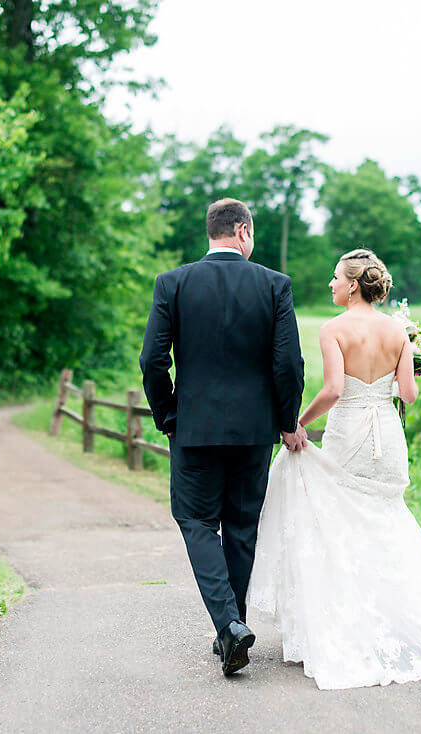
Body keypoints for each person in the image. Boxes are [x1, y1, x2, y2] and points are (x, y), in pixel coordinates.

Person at [245, 248, 421, 690]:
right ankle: (405, 626)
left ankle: (347, 627)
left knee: (338, 525)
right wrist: (394, 375)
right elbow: (409, 395)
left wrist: (297, 423)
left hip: (349, 433)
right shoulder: (399, 332)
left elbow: (334, 389)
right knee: (385, 522)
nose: (332, 283)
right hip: (387, 436)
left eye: (336, 277)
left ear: (354, 283)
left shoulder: (333, 329)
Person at [140, 198, 307, 676]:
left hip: (194, 430)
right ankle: (233, 629)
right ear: (241, 231)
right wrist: (286, 419)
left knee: (195, 521)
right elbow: (288, 364)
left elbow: (152, 361)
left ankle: (229, 626)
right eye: (251, 232)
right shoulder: (275, 285)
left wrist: (168, 415)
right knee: (240, 528)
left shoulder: (173, 283)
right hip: (255, 432)